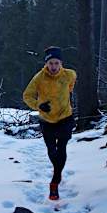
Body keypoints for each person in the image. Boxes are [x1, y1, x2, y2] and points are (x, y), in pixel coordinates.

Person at [22, 46, 76, 200]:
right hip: (47, 120)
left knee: (62, 148)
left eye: (56, 63)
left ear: (61, 63)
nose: (53, 66)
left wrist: (65, 97)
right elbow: (27, 96)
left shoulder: (69, 75)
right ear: (46, 64)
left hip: (65, 117)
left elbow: (71, 86)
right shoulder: (39, 78)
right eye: (50, 63)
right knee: (52, 151)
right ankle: (57, 170)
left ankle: (55, 181)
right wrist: (39, 105)